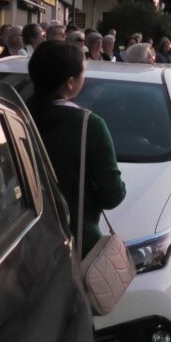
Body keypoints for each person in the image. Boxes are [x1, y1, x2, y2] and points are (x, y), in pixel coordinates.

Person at [25, 41, 126, 257]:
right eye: (83, 72)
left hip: (21, 244)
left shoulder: (15, 115)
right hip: (75, 242)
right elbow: (112, 195)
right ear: (70, 83)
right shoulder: (89, 125)